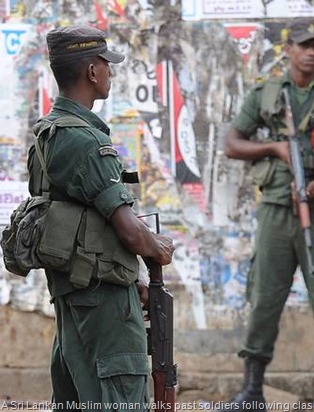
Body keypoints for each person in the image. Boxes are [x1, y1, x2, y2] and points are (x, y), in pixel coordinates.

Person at [223, 19, 314, 411]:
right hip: (275, 210)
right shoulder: (265, 94)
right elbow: (232, 144)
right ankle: (251, 391)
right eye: (304, 45)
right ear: (287, 49)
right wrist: (274, 149)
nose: (311, 52)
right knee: (263, 298)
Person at [28, 25, 175, 408]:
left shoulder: (47, 136)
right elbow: (128, 230)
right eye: (106, 65)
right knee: (122, 398)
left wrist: (134, 276)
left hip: (73, 298)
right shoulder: (86, 141)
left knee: (78, 397)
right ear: (93, 72)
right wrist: (158, 249)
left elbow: (81, 222)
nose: (110, 72)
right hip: (103, 303)